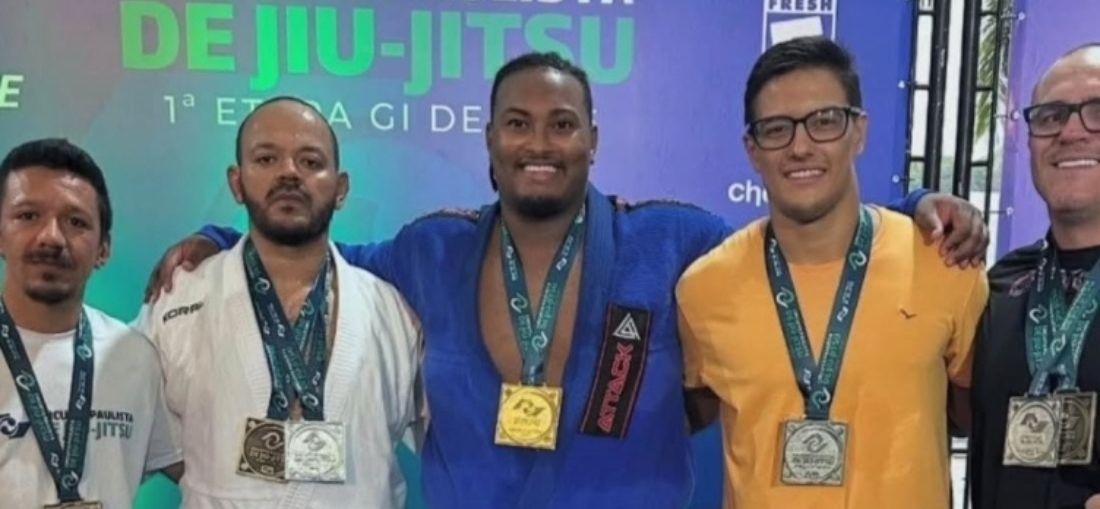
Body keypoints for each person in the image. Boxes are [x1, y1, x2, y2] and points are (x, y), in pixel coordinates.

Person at [146, 53, 990, 508]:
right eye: (517, 123)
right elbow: (307, 246)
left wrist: (917, 206)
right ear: (490, 140)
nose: (539, 142)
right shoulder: (432, 249)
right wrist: (220, 237)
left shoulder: (672, 239)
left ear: (593, 139)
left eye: (561, 123)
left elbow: (802, 238)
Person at [676, 37, 988, 509]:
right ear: (752, 150)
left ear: (858, 131)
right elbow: (683, 414)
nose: (800, 147)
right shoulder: (703, 289)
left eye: (824, 121)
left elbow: (975, 417)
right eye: (777, 129)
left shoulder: (944, 263)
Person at [138, 97, 421, 508]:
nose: (289, 172)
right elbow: (142, 423)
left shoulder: (392, 311)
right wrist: (217, 483)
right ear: (237, 183)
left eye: (310, 162)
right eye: (266, 159)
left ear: (340, 188)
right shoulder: (179, 296)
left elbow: (436, 428)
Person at [0, 138, 181, 508]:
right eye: (28, 216)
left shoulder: (134, 355)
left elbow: (202, 473)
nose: (51, 237)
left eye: (76, 222)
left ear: (103, 249)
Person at [969, 43, 1100, 509]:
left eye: (1097, 112)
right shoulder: (1003, 282)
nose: (1071, 131)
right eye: (1051, 116)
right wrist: (918, 202)